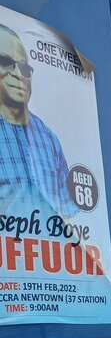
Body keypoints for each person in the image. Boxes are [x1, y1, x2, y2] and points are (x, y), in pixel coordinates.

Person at [0, 23, 77, 218]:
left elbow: (66, 217)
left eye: (25, 68)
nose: (18, 75)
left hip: (43, 247)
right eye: (5, 61)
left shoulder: (49, 140)